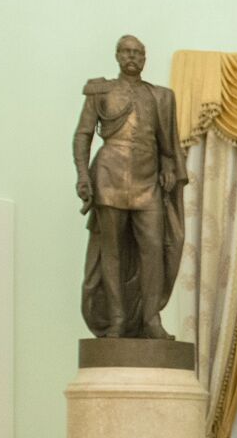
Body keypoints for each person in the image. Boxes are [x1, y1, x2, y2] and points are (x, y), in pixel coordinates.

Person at [73, 34, 186, 339]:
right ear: (117, 56)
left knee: (153, 248)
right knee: (111, 252)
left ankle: (151, 318)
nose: (132, 57)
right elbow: (84, 134)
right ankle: (117, 319)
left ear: (144, 59)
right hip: (109, 175)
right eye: (126, 52)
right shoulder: (101, 91)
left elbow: (167, 145)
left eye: (138, 53)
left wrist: (168, 166)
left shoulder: (160, 97)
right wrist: (83, 174)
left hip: (147, 180)